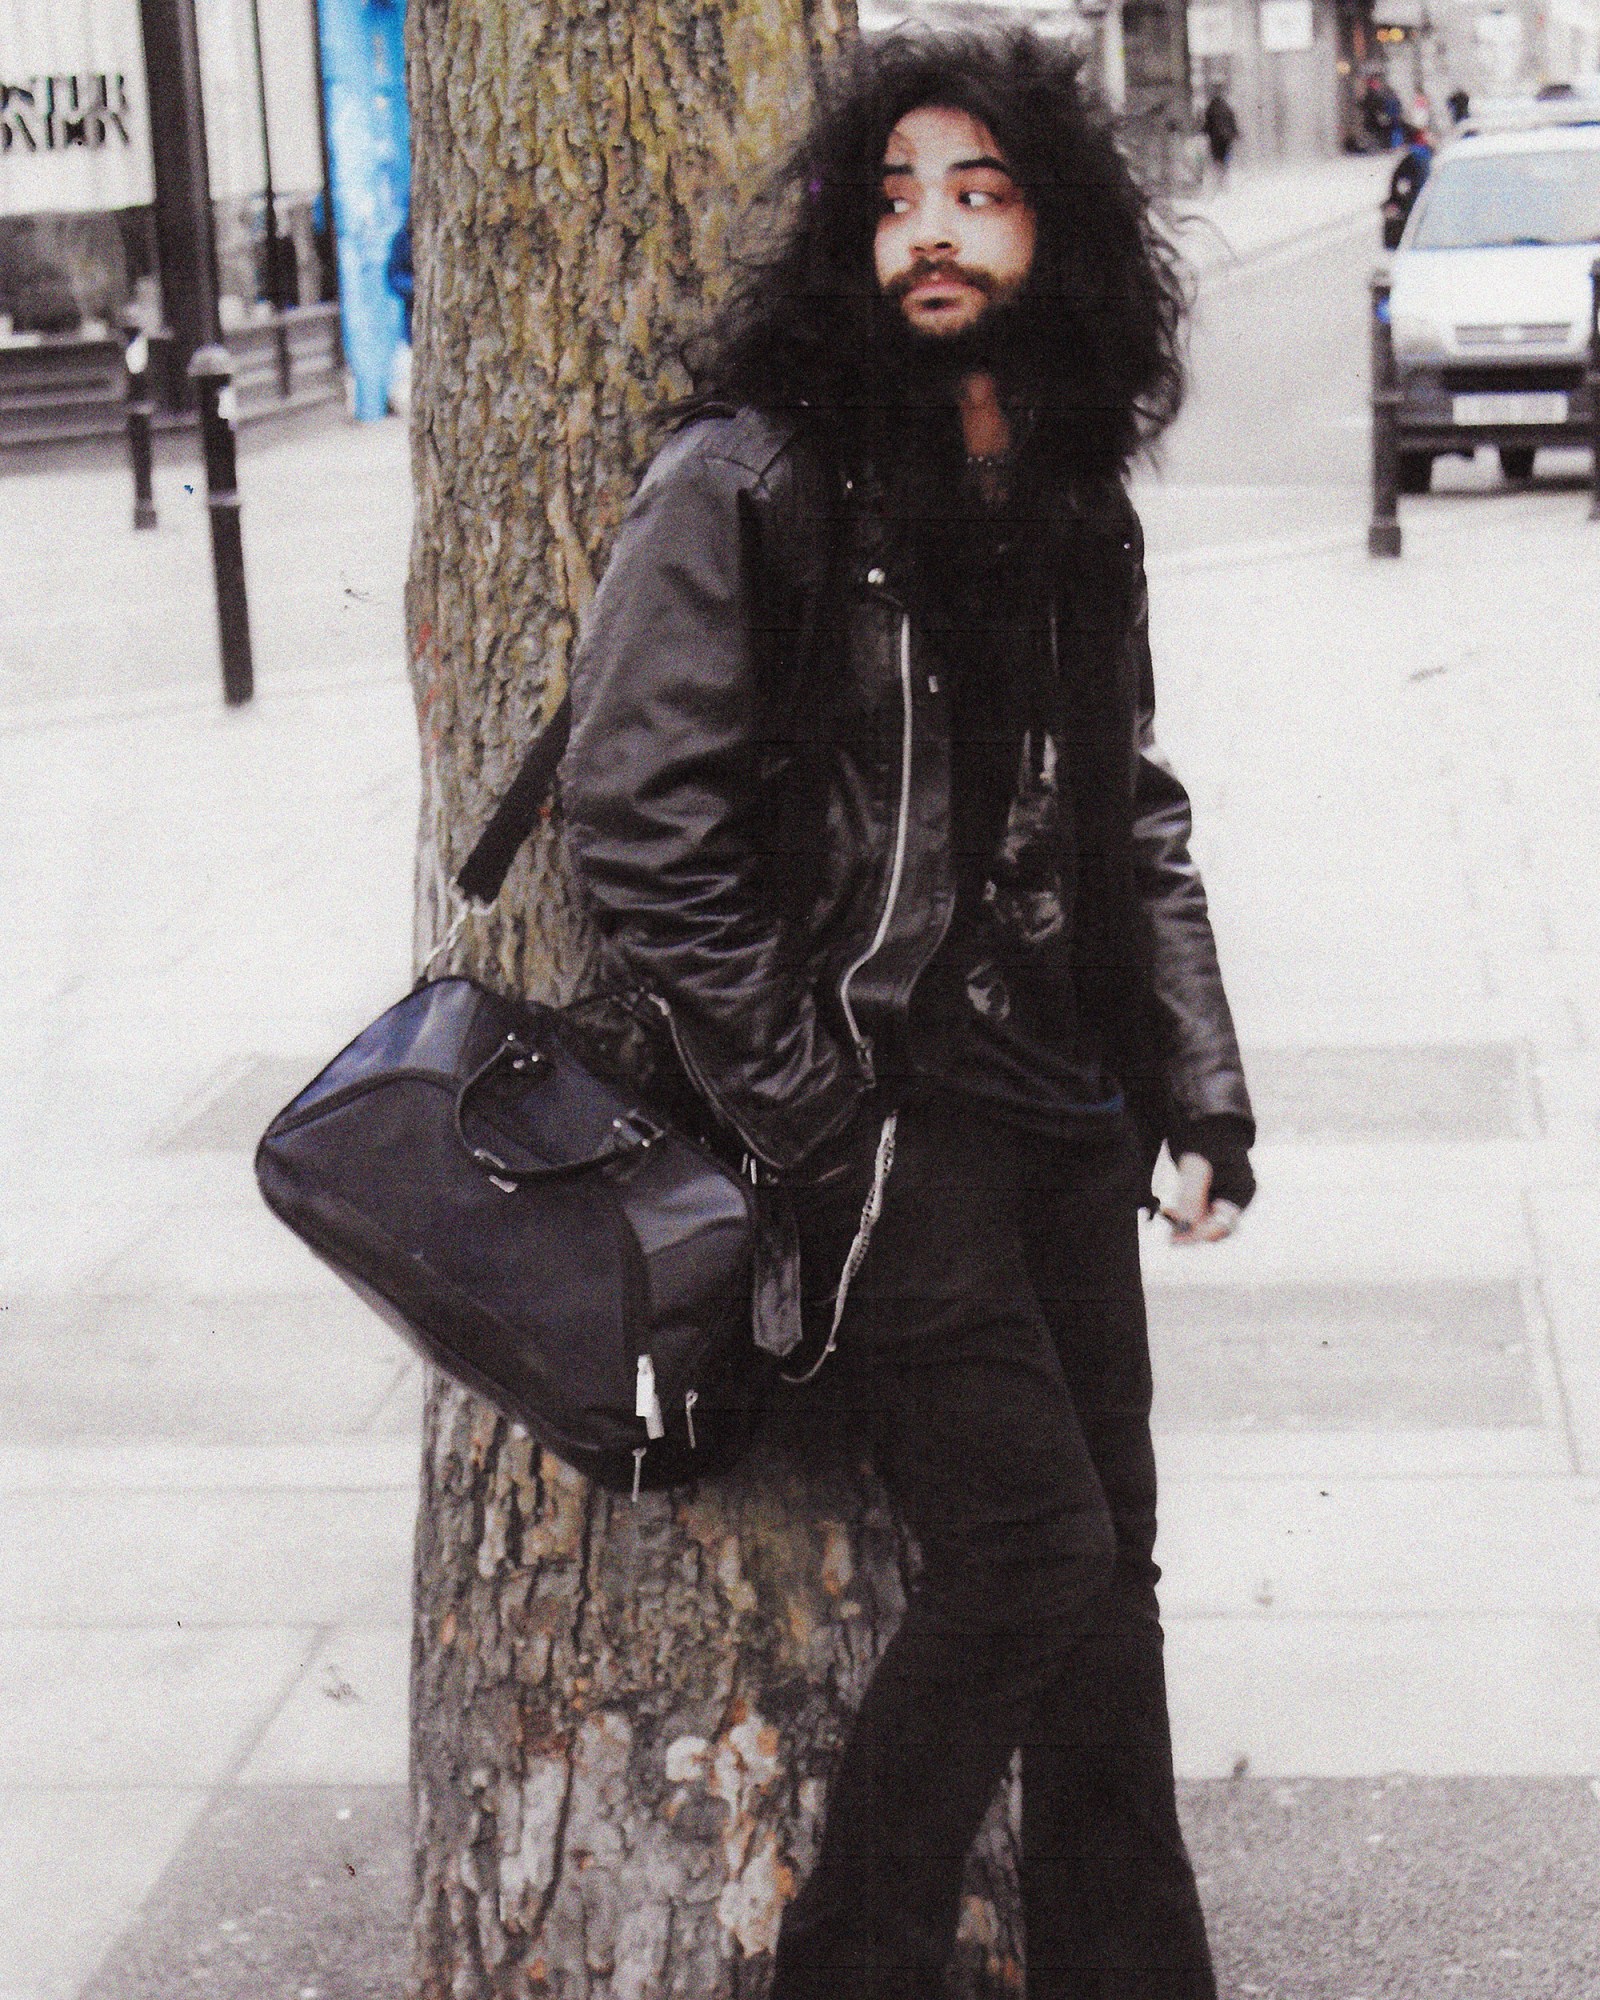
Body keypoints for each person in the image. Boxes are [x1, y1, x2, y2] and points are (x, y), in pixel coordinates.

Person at [562, 28, 1255, 1999]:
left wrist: (1197, 1086)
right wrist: (815, 1115)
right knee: (1032, 1565)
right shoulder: (752, 473)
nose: (930, 234)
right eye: (892, 198)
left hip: (1065, 1113)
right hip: (888, 1126)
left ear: (1057, 224)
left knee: (1102, 1582)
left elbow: (1125, 802)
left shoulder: (1056, 477)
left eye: (977, 191)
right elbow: (639, 823)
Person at [1201, 86, 1239, 184]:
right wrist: (1235, 133)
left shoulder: (1211, 107)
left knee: (1217, 157)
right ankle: (1223, 174)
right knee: (1225, 156)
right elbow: (1232, 121)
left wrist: (1203, 131)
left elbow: (1207, 123)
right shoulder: (1226, 107)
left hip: (1216, 138)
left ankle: (1219, 176)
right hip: (1226, 138)